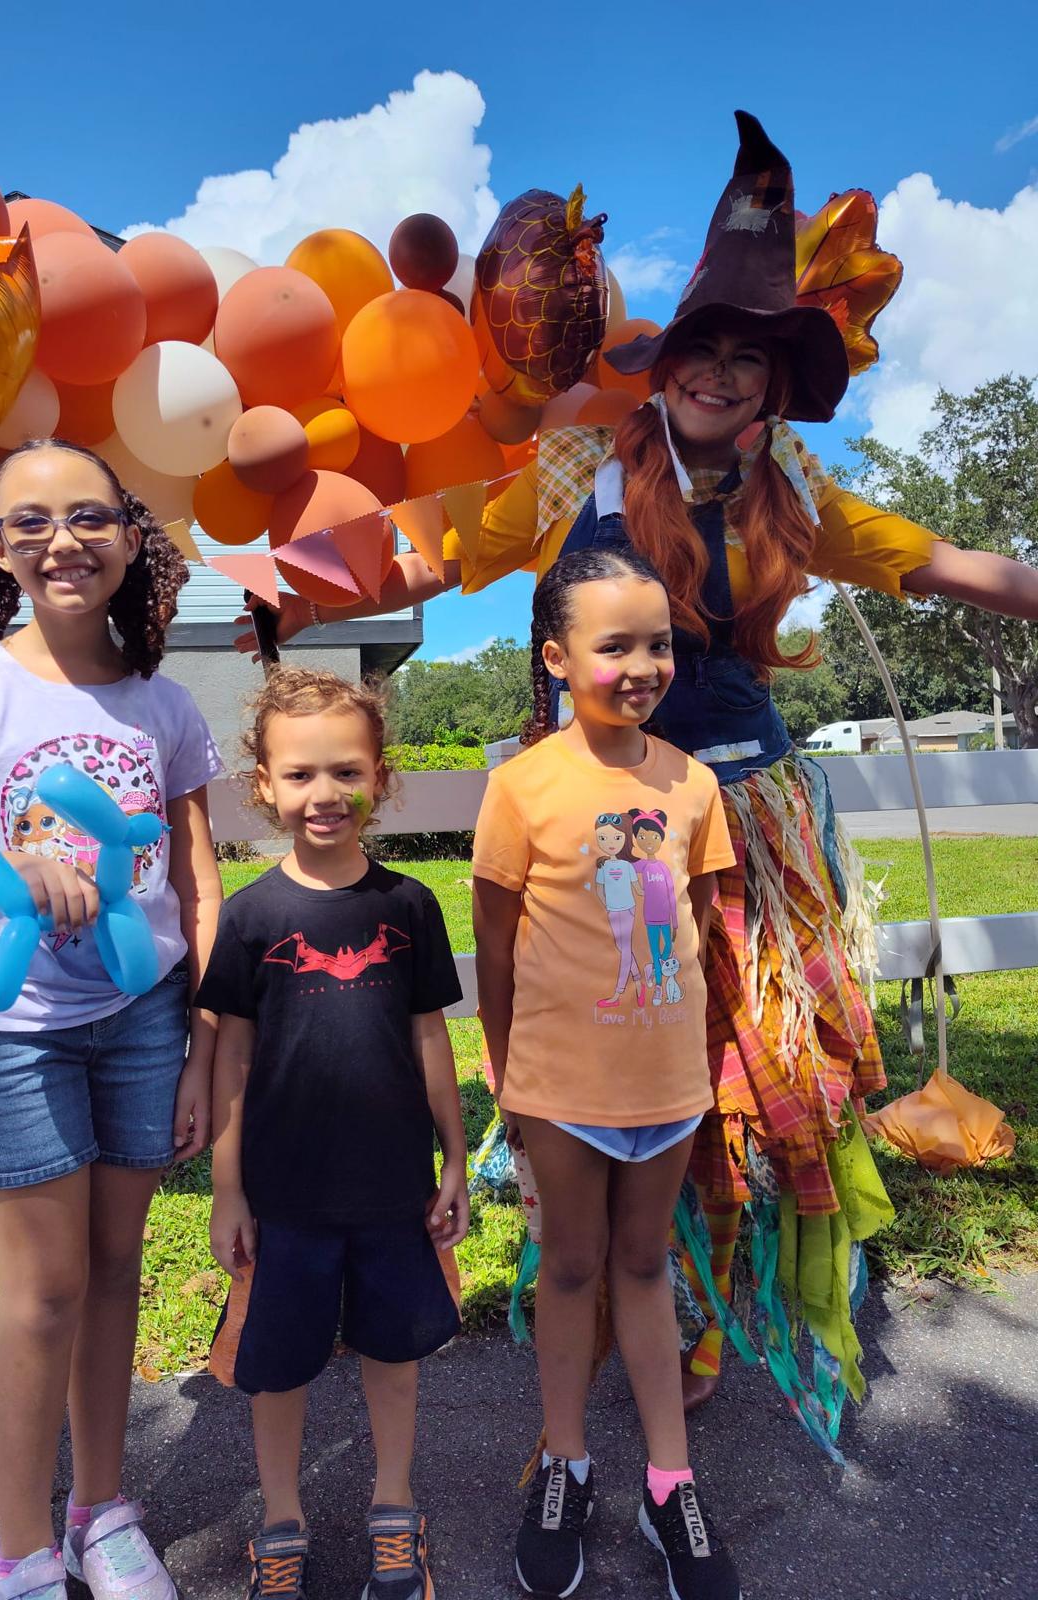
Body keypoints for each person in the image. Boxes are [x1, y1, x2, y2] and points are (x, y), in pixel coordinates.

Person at [236, 111, 1038, 1446]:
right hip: (608, 829)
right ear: (667, 369)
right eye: (703, 352)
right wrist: (287, 597)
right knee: (624, 1059)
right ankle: (609, 1283)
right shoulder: (573, 472)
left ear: (778, 385)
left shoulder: (795, 495)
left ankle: (709, 1306)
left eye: (749, 360)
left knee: (744, 1080)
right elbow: (435, 549)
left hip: (756, 826)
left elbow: (949, 563)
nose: (722, 377)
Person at [0, 439, 225, 1600]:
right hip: (10, 1028)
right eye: (30, 523)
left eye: (87, 517)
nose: (62, 540)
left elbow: (201, 881)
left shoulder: (165, 705)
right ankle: (19, 1550)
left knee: (115, 1268)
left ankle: (101, 1511)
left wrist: (209, 1042)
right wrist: (3, 869)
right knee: (45, 1290)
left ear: (129, 533)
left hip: (146, 1014)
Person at [474, 545, 740, 1599]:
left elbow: (703, 930)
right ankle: (566, 1461)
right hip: (560, 1092)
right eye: (613, 643)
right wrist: (508, 1068)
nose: (641, 663)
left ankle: (669, 1482)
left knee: (646, 1268)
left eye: (660, 642)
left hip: (669, 1087)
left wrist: (692, 1055)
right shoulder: (521, 786)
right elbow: (495, 943)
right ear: (557, 656)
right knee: (572, 1270)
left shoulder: (695, 781)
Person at [198, 668, 469, 1600]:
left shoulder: (408, 907)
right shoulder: (249, 916)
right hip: (284, 1198)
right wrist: (229, 1190)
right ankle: (281, 1524)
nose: (326, 795)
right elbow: (230, 1061)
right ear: (264, 785)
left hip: (393, 1187)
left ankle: (395, 1514)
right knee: (278, 1371)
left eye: (346, 773)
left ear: (381, 779)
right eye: (302, 775)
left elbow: (431, 1035)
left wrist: (458, 1157)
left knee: (395, 1358)